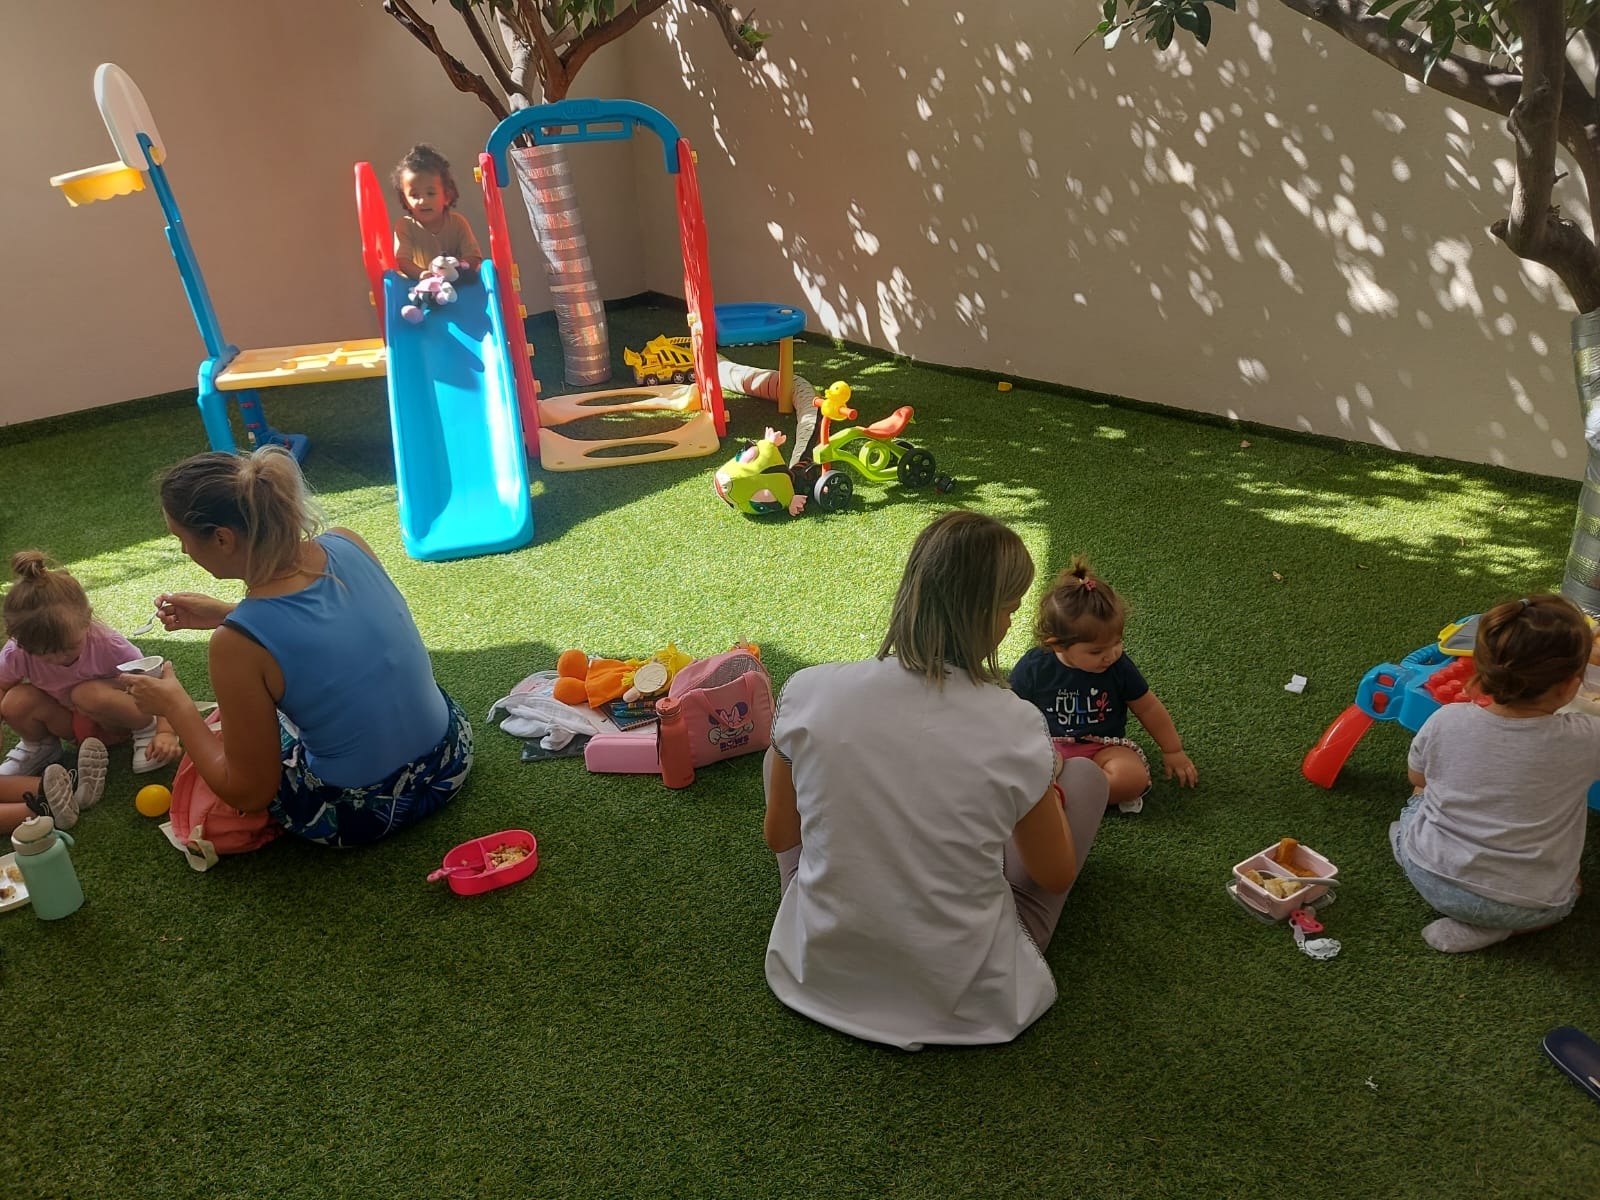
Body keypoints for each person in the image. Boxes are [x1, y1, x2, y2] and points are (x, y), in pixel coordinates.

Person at [762, 510, 1109, 1050]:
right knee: (1087, 778)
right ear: (982, 615)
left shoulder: (809, 691)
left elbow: (782, 837)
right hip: (966, 997)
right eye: (1010, 609)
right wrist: (1044, 788)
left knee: (784, 746)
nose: (1011, 623)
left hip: (818, 970)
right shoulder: (1015, 725)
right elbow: (1054, 873)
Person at [118, 447, 473, 849]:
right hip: (450, 757)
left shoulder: (235, 645)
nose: (184, 551)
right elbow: (338, 632)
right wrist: (227, 613)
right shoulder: (346, 541)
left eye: (181, 538)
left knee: (230, 728)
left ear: (222, 538)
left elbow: (249, 792)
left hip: (362, 813)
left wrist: (176, 708)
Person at [1392, 594, 1600, 953]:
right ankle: (1496, 930)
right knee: (1573, 889)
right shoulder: (1587, 737)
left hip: (1426, 872)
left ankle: (1406, 844)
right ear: (1570, 686)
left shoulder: (1446, 719)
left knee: (1420, 796)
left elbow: (1417, 780)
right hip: (1527, 906)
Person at [1008, 557, 1197, 813]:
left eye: (1117, 642)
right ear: (1058, 645)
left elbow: (1148, 707)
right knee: (1013, 771)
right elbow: (1011, 710)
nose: (1111, 655)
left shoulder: (1119, 667)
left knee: (1132, 778)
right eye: (1096, 651)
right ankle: (1069, 794)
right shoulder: (1035, 666)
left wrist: (1173, 750)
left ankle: (1062, 796)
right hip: (1049, 748)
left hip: (1104, 748)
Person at [0, 550, 179, 778]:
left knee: (85, 694)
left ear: (87, 620)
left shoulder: (108, 644)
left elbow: (155, 683)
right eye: (42, 654)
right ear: (16, 638)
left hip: (117, 720)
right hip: (71, 726)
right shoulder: (17, 652)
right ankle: (40, 747)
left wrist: (165, 731)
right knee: (15, 700)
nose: (58, 659)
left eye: (68, 648)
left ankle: (146, 731)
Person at [391, 144, 482, 282]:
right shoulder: (405, 226)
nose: (423, 201)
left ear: (447, 196)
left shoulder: (458, 223)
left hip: (458, 285)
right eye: (414, 195)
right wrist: (422, 275)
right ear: (405, 200)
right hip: (419, 287)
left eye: (431, 193)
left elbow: (473, 257)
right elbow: (403, 261)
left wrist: (455, 270)